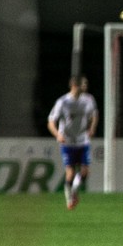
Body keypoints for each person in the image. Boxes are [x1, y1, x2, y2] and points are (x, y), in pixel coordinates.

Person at [47, 74, 99, 210]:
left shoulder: (88, 99)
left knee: (85, 172)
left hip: (83, 140)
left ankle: (74, 190)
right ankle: (69, 199)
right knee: (70, 172)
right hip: (68, 142)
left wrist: (92, 128)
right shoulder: (63, 102)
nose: (86, 86)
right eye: (83, 84)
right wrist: (58, 134)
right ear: (75, 85)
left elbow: (94, 114)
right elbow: (51, 121)